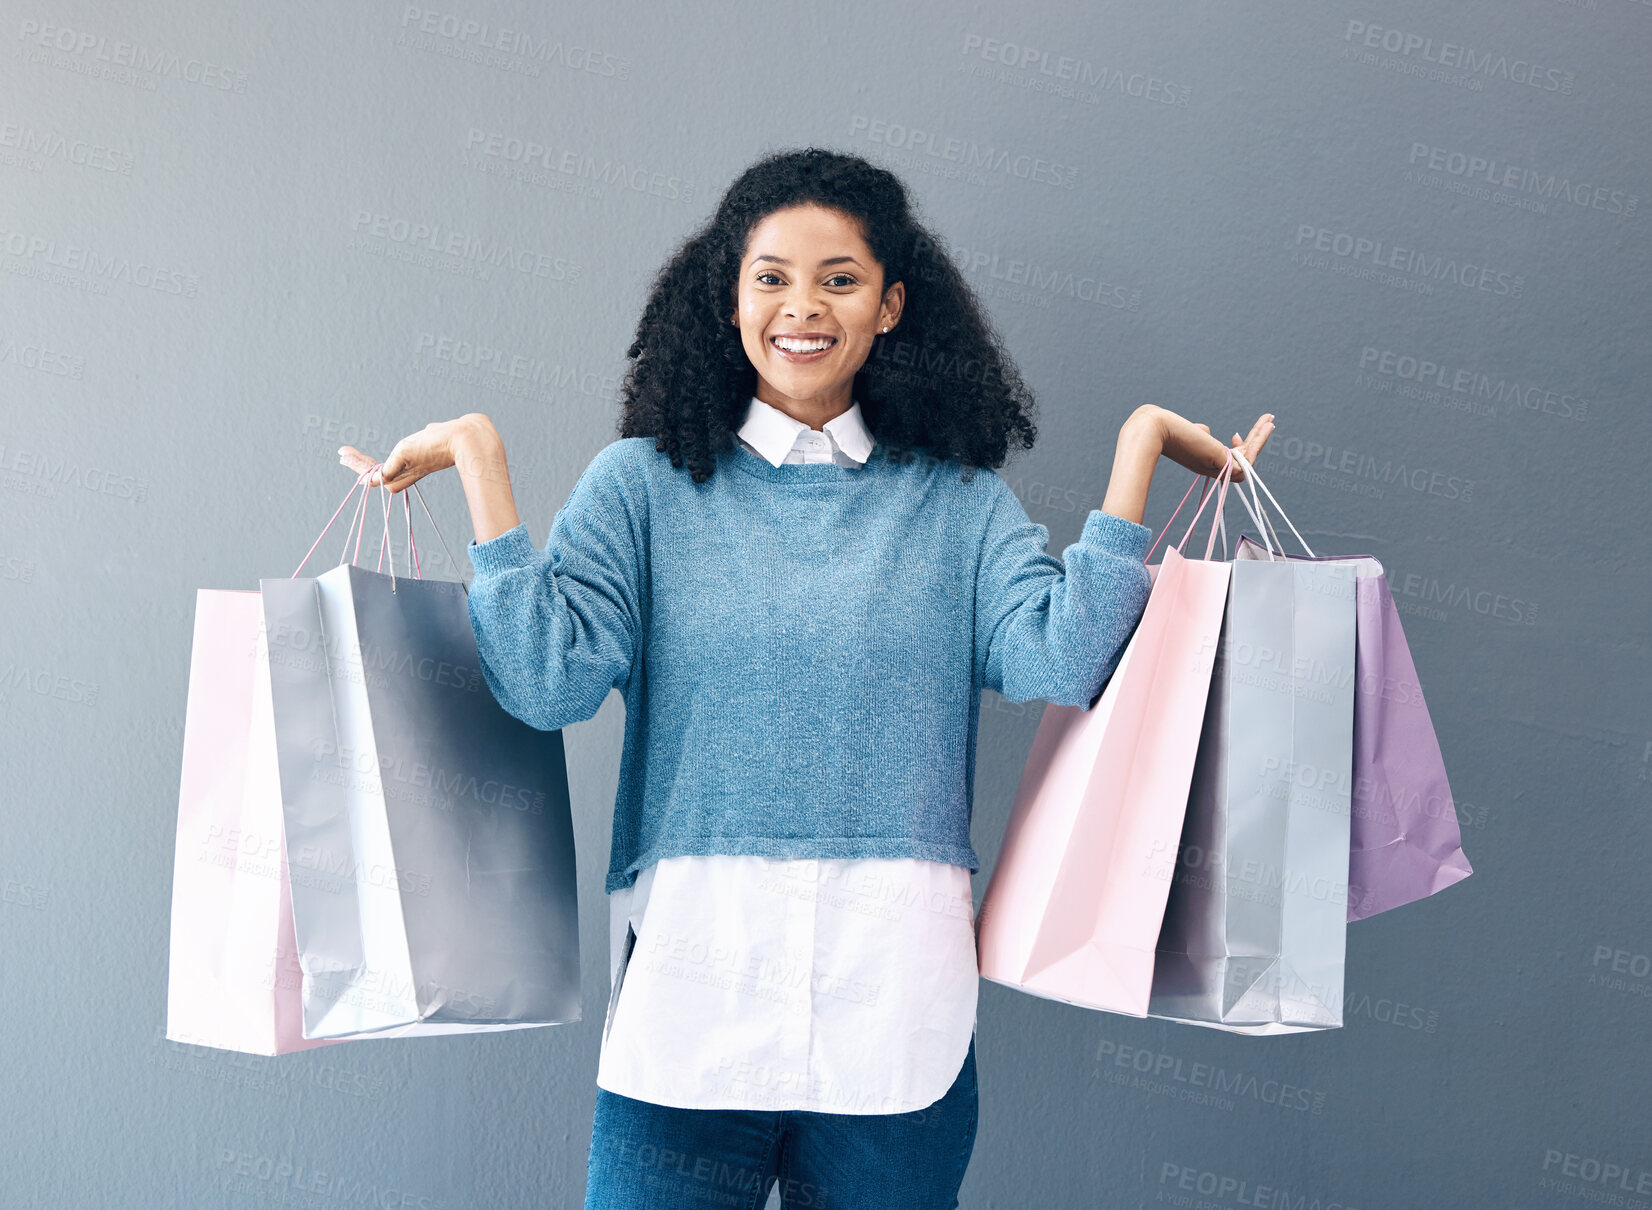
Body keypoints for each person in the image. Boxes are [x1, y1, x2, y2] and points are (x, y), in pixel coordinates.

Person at [340, 147, 1274, 1210]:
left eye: (839, 278)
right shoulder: (643, 490)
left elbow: (1060, 658)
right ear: (729, 298)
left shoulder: (956, 504)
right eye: (770, 276)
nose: (801, 306)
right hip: (689, 1007)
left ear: (889, 306)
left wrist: (1137, 451)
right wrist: (480, 462)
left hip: (895, 1017)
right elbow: (546, 684)